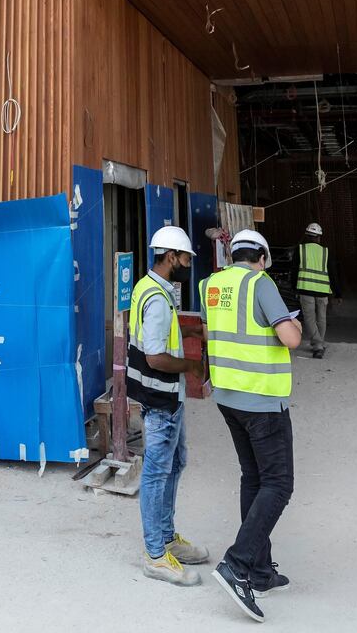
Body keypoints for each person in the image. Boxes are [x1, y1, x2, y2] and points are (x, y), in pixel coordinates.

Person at [203, 230, 302, 624]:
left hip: (229, 397)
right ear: (261, 256)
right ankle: (238, 564)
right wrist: (289, 323)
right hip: (262, 399)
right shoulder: (259, 283)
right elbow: (290, 337)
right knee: (278, 483)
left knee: (253, 478)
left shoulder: (212, 283)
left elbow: (216, 333)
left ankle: (260, 571)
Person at [127, 226, 209, 587]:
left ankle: (166, 536)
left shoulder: (150, 286)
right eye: (186, 257)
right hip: (160, 397)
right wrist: (191, 367)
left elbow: (160, 330)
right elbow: (156, 357)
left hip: (163, 397)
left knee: (176, 462)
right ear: (171, 256)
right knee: (158, 472)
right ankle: (155, 555)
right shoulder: (158, 298)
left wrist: (190, 333)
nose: (189, 263)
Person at [297, 222, 341, 359]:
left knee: (309, 318)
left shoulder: (300, 250)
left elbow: (293, 272)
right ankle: (319, 345)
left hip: (305, 289)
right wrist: (338, 293)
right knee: (321, 318)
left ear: (307, 236)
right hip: (322, 290)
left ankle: (318, 345)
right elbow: (333, 273)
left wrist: (294, 288)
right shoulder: (326, 252)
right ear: (319, 237)